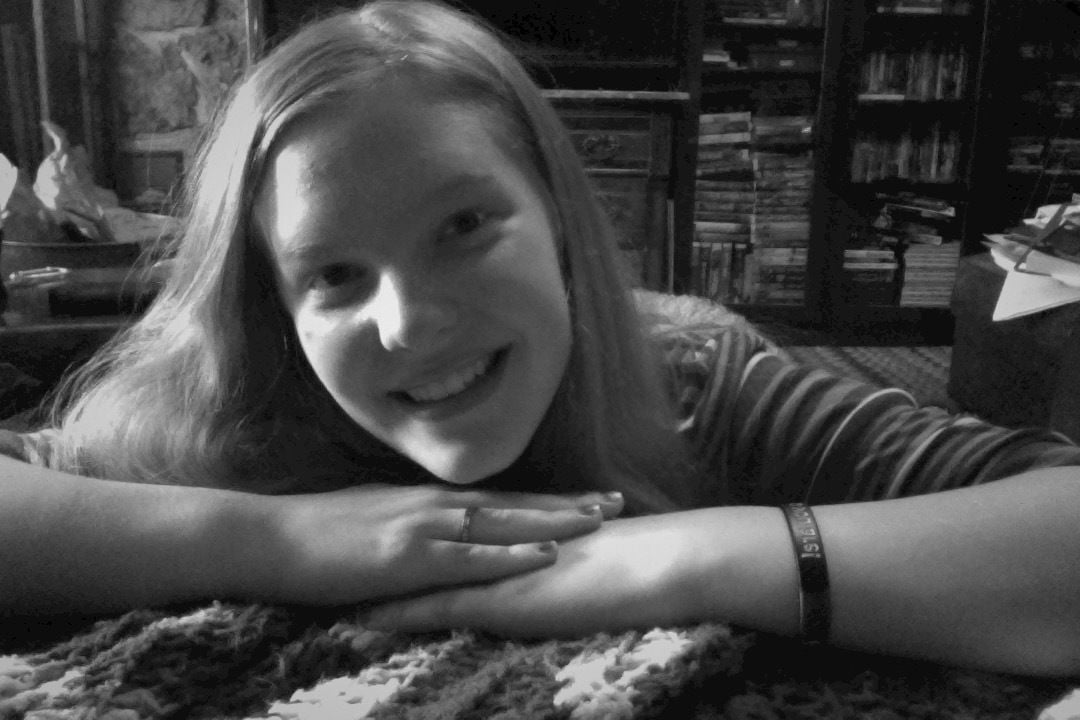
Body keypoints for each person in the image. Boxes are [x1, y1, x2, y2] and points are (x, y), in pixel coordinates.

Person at [0, 0, 1078, 678]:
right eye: (333, 275)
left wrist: (690, 558)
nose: (409, 322)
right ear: (273, 312)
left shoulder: (696, 381)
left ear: (561, 222)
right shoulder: (225, 416)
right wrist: (280, 542)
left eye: (464, 226)